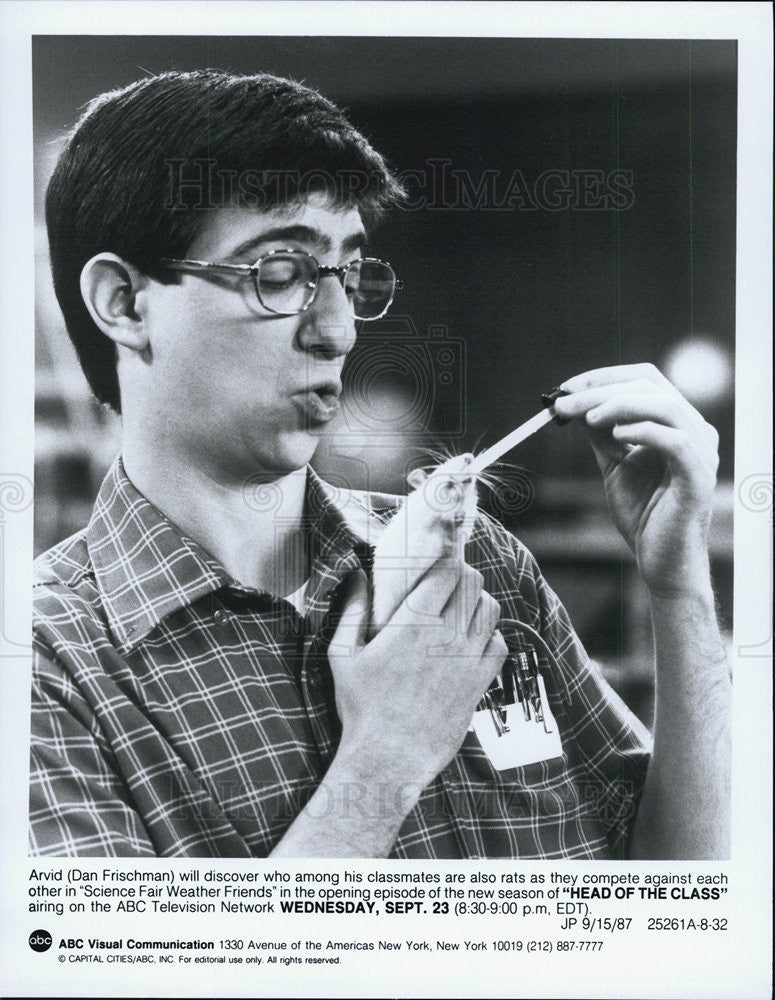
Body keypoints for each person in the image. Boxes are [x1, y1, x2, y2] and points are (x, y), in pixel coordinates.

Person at [30, 69, 730, 859]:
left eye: (349, 275)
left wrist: (678, 588)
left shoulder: (482, 566)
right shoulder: (44, 662)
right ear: (123, 304)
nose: (337, 331)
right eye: (281, 275)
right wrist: (386, 756)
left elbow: (684, 903)